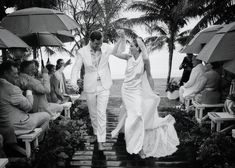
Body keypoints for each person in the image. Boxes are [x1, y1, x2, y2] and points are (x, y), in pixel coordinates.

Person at [111, 37, 179, 158]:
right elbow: (114, 52)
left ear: (138, 47)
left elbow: (149, 76)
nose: (129, 48)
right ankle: (132, 140)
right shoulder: (128, 57)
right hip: (126, 90)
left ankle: (138, 145)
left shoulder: (145, 59)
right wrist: (120, 39)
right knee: (132, 115)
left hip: (137, 91)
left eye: (132, 45)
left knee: (137, 115)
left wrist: (153, 91)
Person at [70, 30, 126, 150]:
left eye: (100, 43)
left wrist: (122, 39)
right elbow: (76, 68)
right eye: (96, 44)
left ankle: (101, 140)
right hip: (90, 86)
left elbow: (119, 51)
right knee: (93, 113)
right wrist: (73, 82)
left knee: (101, 113)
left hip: (104, 86)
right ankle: (96, 134)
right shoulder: (82, 52)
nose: (99, 46)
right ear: (91, 41)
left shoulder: (105, 47)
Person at [0, 61, 50, 136]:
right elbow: (29, 106)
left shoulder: (10, 84)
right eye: (32, 68)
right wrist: (29, 90)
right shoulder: (12, 88)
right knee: (47, 116)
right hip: (17, 124)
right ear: (6, 73)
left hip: (3, 123)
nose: (35, 69)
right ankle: (37, 143)